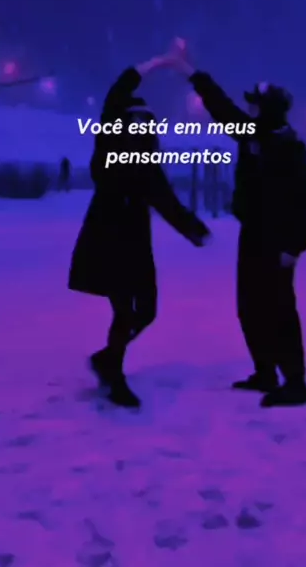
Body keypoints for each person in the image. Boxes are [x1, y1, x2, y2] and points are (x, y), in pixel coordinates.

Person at [169, 39, 306, 407]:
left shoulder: (288, 147)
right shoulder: (255, 135)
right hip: (253, 233)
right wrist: (192, 74)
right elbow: (221, 108)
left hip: (278, 241)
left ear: (268, 110)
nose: (249, 108)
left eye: (255, 104)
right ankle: (265, 371)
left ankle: (295, 382)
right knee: (249, 305)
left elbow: (304, 202)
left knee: (279, 309)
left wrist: (293, 247)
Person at [69, 55, 210, 408]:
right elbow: (116, 96)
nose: (142, 127)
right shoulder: (108, 148)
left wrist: (193, 229)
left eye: (147, 123)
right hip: (107, 236)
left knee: (146, 310)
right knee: (124, 310)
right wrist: (154, 65)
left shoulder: (147, 163)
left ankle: (107, 358)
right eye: (136, 121)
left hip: (135, 241)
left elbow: (165, 199)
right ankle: (114, 377)